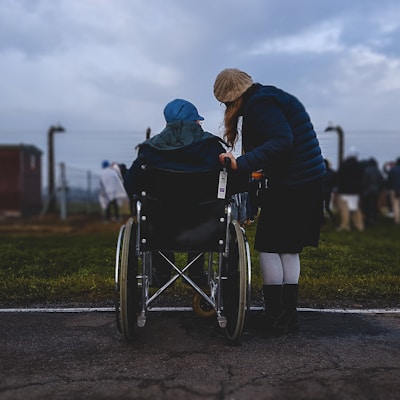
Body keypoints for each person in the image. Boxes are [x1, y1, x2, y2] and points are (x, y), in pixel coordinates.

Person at [213, 68, 326, 334]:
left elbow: (281, 140)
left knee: (268, 246)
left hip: (292, 184)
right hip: (306, 182)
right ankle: (288, 315)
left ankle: (274, 313)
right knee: (288, 248)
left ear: (234, 98)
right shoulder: (270, 97)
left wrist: (241, 163)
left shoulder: (260, 105)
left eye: (226, 103)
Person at [124, 99, 244, 286]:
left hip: (159, 226)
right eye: (198, 120)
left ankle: (162, 271)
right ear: (194, 122)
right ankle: (195, 273)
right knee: (203, 211)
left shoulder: (149, 150)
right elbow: (233, 184)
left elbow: (131, 184)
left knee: (155, 214)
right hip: (204, 227)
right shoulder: (212, 148)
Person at [335, 147, 365, 231]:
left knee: (345, 209)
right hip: (355, 191)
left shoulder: (344, 165)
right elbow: (361, 178)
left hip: (344, 191)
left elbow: (339, 178)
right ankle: (359, 225)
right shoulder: (360, 166)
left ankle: (345, 225)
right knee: (355, 208)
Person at [361, 157, 385, 227]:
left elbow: (364, 181)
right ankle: (373, 218)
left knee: (368, 205)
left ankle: (368, 219)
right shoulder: (378, 171)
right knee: (374, 204)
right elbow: (381, 182)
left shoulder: (366, 170)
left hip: (367, 191)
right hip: (376, 191)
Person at [322, 159, 336, 224]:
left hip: (321, 191)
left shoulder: (320, 172)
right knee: (327, 207)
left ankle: (322, 220)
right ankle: (333, 219)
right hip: (328, 192)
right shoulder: (332, 172)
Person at [387, 157, 400, 224]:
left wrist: (388, 189)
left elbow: (389, 181)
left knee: (395, 205)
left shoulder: (392, 170)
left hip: (394, 189)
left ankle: (397, 220)